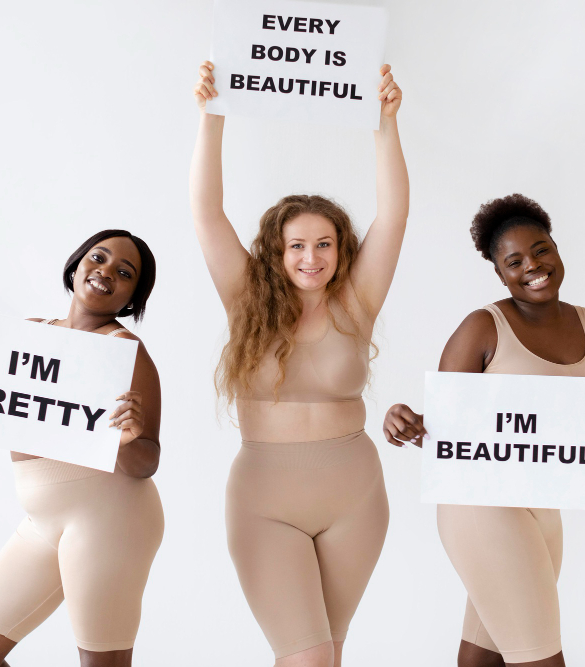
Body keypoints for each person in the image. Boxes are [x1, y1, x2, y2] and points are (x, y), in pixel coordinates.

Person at [190, 61, 408, 667]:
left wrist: (385, 125)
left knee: (326, 658)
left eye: (324, 244)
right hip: (266, 500)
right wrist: (211, 120)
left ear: (341, 250)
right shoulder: (245, 300)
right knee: (309, 657)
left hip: (356, 498)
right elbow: (208, 216)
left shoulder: (356, 303)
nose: (310, 257)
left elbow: (393, 217)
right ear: (276, 252)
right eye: (296, 245)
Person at [382, 194, 585, 667]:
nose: (533, 266)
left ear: (557, 249)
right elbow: (443, 423)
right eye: (515, 261)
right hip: (480, 507)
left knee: (485, 654)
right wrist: (406, 420)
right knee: (540, 657)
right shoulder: (484, 327)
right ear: (500, 272)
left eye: (541, 250)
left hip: (545, 509)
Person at [0, 230, 165, 667]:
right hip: (42, 519)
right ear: (76, 266)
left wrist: (124, 441)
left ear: (131, 296)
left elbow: (147, 461)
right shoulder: (29, 334)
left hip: (110, 518)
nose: (106, 271)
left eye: (124, 273)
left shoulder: (125, 351)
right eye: (99, 257)